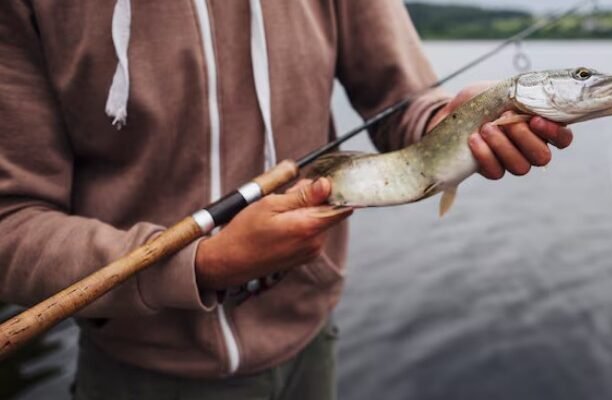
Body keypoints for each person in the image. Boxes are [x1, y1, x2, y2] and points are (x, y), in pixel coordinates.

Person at [0, 1, 573, 399]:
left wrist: (452, 122)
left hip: (309, 347)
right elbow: (12, 226)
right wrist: (203, 264)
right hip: (138, 370)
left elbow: (409, 102)